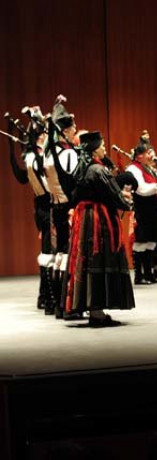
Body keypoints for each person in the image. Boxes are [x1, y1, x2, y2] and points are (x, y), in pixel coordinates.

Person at [65, 131, 135, 327]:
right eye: (103, 145)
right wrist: (126, 203)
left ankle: (94, 309)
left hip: (86, 218)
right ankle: (96, 312)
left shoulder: (83, 168)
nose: (105, 148)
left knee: (87, 260)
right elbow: (113, 194)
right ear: (95, 150)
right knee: (99, 258)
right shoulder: (97, 169)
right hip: (98, 220)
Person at [6, 106, 53, 313]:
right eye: (43, 133)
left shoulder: (39, 154)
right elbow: (25, 178)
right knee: (49, 252)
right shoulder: (33, 157)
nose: (45, 136)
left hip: (47, 207)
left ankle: (47, 294)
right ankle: (46, 295)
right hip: (46, 208)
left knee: (51, 252)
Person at [44, 95, 81, 318]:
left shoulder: (50, 153)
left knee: (59, 254)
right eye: (73, 126)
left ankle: (57, 304)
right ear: (65, 131)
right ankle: (66, 305)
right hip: (68, 206)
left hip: (55, 206)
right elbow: (74, 182)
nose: (76, 128)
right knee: (68, 255)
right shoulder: (68, 153)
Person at [126, 130, 157, 285]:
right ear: (139, 156)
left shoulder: (149, 168)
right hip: (142, 208)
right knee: (141, 241)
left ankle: (149, 273)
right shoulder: (133, 169)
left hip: (152, 209)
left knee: (151, 241)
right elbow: (142, 189)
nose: (151, 156)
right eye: (147, 153)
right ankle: (139, 275)